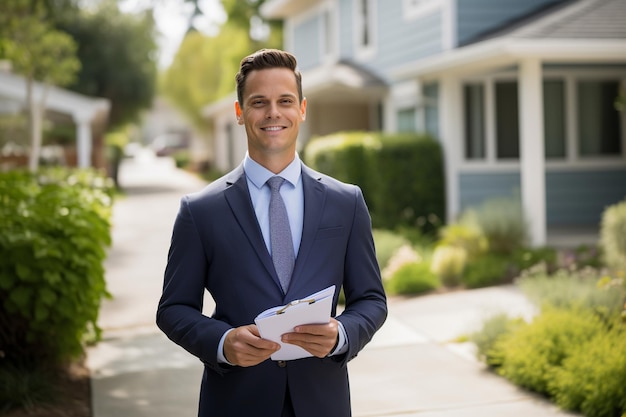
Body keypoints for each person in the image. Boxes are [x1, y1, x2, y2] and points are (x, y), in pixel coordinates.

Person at [156, 48, 387, 417]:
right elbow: (173, 309)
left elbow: (372, 300)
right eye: (259, 102)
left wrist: (342, 333)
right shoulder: (200, 210)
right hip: (235, 401)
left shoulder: (346, 202)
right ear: (239, 112)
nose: (273, 113)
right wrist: (222, 342)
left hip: (321, 401)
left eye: (285, 101)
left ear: (302, 109)